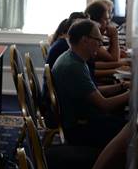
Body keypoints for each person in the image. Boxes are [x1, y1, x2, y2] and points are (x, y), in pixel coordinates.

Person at [51, 19, 128, 149]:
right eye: (98, 40)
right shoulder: (74, 66)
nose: (101, 44)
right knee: (129, 129)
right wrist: (131, 94)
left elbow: (93, 91)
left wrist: (121, 87)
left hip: (83, 119)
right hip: (79, 129)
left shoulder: (74, 58)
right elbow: (104, 105)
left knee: (124, 118)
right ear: (85, 40)